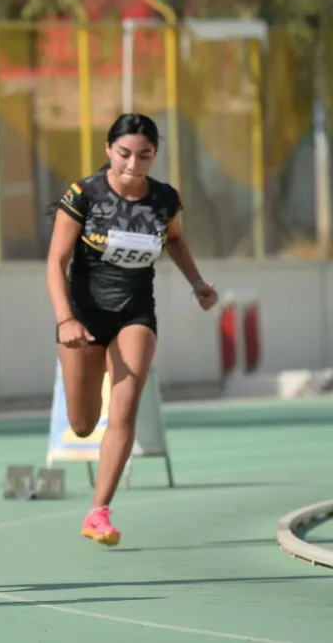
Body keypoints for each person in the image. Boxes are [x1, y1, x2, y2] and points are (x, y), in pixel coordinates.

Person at [45, 113, 218, 547]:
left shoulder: (163, 198)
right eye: (124, 154)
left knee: (125, 407)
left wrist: (197, 283)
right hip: (84, 318)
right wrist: (66, 319)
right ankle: (89, 416)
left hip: (135, 314)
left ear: (154, 155)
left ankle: (98, 511)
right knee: (83, 424)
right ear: (108, 150)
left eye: (144, 156)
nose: (132, 165)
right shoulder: (83, 194)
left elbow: (174, 239)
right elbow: (55, 261)